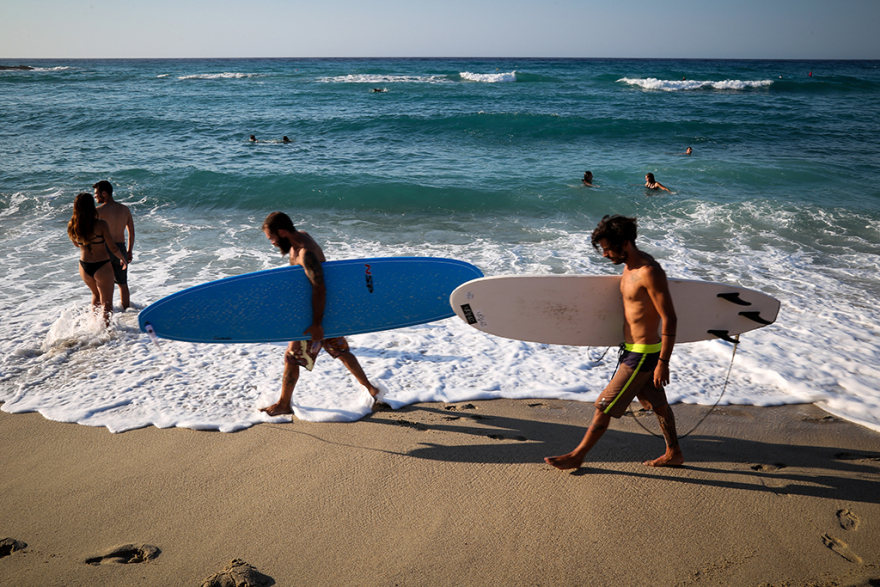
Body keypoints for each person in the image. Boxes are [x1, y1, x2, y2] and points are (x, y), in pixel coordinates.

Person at [545, 214, 682, 470]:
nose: (605, 254)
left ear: (626, 243)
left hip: (642, 355)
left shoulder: (649, 272)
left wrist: (663, 362)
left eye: (608, 248)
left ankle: (578, 455)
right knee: (658, 405)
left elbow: (670, 319)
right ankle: (674, 452)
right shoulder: (628, 266)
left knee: (603, 405)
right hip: (632, 350)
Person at [259, 211, 382, 417]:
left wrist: (316, 324)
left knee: (291, 358)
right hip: (327, 311)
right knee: (340, 351)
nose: (271, 243)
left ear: (281, 232)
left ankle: (283, 404)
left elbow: (319, 288)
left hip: (313, 315)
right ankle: (371, 389)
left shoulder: (305, 253)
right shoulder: (302, 237)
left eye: (271, 238)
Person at [68, 193, 128, 326]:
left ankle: (94, 325)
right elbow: (112, 247)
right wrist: (122, 258)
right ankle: (106, 331)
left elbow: (77, 244)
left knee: (95, 295)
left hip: (84, 266)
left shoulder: (72, 225)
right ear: (91, 206)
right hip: (102, 266)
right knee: (107, 303)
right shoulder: (101, 224)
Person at [93, 180, 134, 309]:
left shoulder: (97, 211)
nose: (95, 196)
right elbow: (131, 233)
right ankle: (127, 313)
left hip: (104, 250)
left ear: (104, 193)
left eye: (96, 193)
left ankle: (101, 315)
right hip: (120, 249)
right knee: (123, 284)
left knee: (102, 285)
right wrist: (129, 251)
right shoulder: (124, 209)